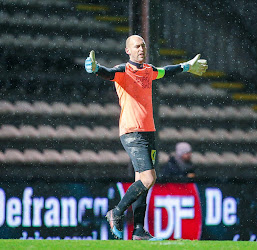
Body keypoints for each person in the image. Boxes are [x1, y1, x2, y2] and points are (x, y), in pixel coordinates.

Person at [85, 35, 207, 240]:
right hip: (132, 132)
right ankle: (116, 212)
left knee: (143, 182)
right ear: (127, 51)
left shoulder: (148, 71)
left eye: (143, 45)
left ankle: (139, 231)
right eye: (136, 46)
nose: (141, 49)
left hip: (148, 132)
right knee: (149, 178)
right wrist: (96, 69)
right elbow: (108, 73)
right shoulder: (123, 70)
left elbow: (166, 71)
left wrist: (186, 66)